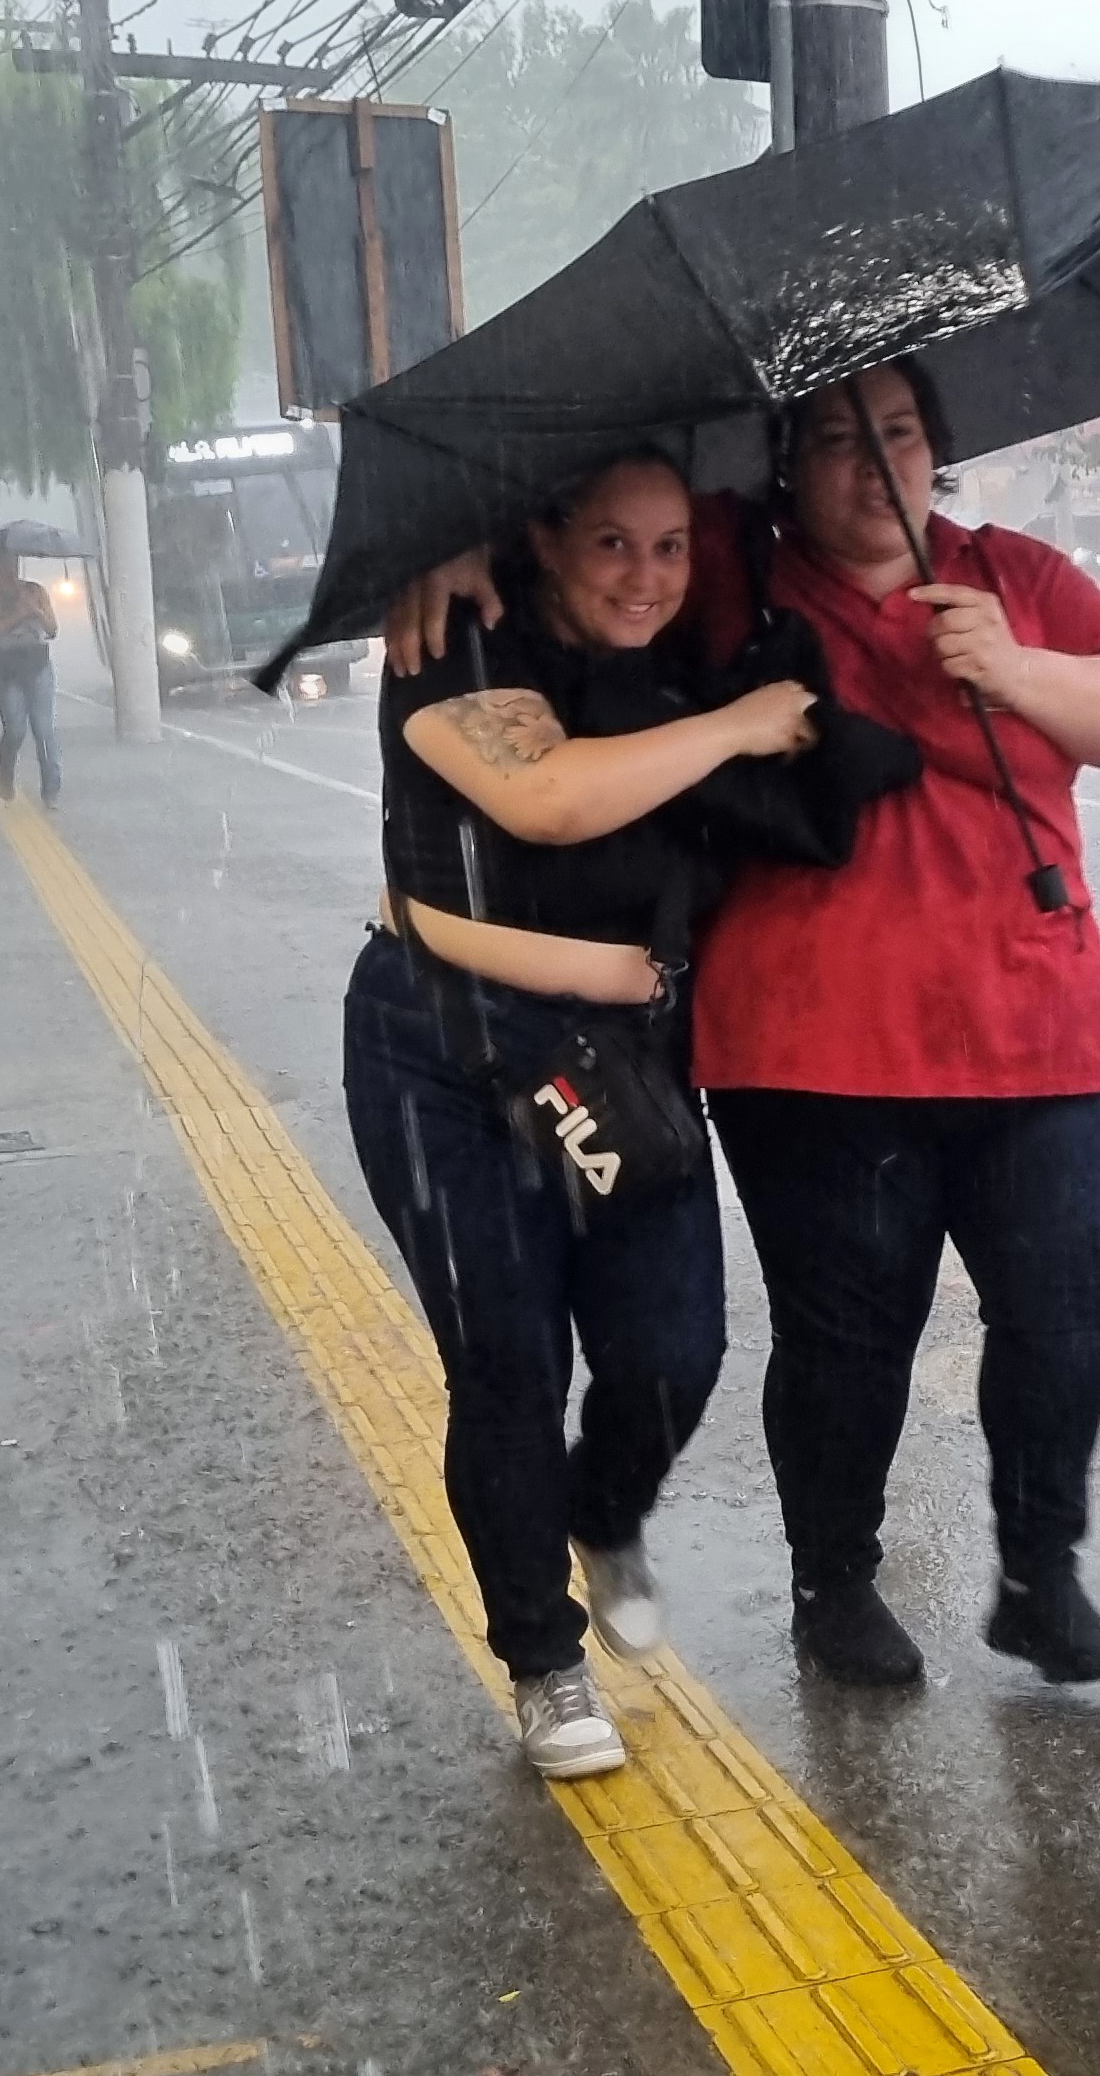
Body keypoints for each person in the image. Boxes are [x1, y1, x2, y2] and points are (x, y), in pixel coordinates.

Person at [390, 360, 1100, 1693]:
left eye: (899, 435)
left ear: (938, 448)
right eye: (833, 441)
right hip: (815, 1046)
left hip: (1033, 1019)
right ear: (779, 467)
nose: (872, 465)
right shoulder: (727, 568)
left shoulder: (1018, 577)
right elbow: (584, 556)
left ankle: (1042, 1575)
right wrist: (446, 552)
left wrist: (1017, 666)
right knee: (847, 1337)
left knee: (1063, 1315)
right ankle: (837, 1585)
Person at [345, 452, 847, 1780]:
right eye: (614, 544)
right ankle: (543, 1661)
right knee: (507, 1361)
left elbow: (819, 802)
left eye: (673, 547)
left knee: (673, 1351)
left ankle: (603, 1509)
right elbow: (546, 794)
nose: (647, 578)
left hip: (617, 1068)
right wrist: (739, 726)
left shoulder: (683, 671)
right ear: (543, 534)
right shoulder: (448, 635)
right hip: (440, 1056)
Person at [0, 553, 62, 804]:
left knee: (43, 729)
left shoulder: (35, 590)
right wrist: (15, 617)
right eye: (4, 564)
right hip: (6, 667)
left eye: (13, 563)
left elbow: (52, 629)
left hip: (37, 664)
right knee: (14, 728)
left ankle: (51, 789)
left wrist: (34, 609)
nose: (10, 569)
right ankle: (5, 768)